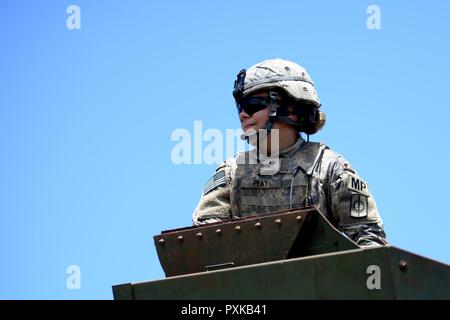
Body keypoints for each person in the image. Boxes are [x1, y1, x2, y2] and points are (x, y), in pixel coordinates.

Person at [192, 58, 388, 247]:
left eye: (253, 105)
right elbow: (204, 242)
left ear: (291, 108)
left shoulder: (330, 168)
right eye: (240, 108)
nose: (243, 114)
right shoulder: (231, 173)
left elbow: (369, 240)